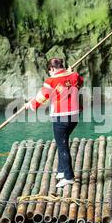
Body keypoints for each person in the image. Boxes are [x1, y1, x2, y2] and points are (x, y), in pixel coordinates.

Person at [25, 58, 84, 188]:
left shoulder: (51, 81)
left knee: (62, 146)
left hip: (60, 117)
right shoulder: (74, 75)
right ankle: (62, 170)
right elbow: (80, 82)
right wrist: (69, 73)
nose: (49, 73)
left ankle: (68, 177)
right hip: (74, 116)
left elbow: (42, 97)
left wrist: (30, 104)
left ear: (51, 69)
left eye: (49, 71)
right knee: (62, 141)